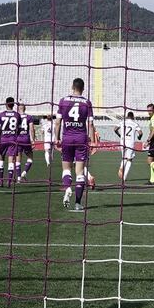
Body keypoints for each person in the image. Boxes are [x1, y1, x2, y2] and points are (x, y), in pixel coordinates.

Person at [55, 78, 96, 211]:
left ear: (72, 87)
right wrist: (92, 141)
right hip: (81, 139)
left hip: (67, 138)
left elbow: (57, 122)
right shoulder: (87, 103)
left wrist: (56, 138)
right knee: (79, 172)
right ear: (83, 89)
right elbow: (90, 124)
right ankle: (78, 203)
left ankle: (67, 188)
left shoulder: (63, 101)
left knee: (66, 169)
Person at [0, 97, 19, 188]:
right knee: (11, 159)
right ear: (13, 104)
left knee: (1, 158)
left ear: (6, 104)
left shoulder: (1, 115)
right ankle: (9, 181)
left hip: (3, 139)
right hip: (13, 139)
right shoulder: (17, 115)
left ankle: (0, 181)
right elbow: (19, 128)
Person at [114, 111, 143, 183]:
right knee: (129, 159)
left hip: (123, 142)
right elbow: (140, 133)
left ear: (127, 116)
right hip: (130, 143)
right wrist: (139, 137)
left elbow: (115, 129)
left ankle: (121, 168)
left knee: (124, 157)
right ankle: (124, 177)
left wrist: (119, 135)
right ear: (132, 117)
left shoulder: (122, 122)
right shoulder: (135, 123)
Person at [14, 101, 35, 182]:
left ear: (18, 108)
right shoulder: (29, 117)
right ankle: (24, 173)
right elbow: (32, 129)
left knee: (18, 158)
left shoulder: (16, 116)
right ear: (25, 108)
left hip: (18, 139)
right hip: (26, 139)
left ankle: (18, 178)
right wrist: (33, 140)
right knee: (30, 157)